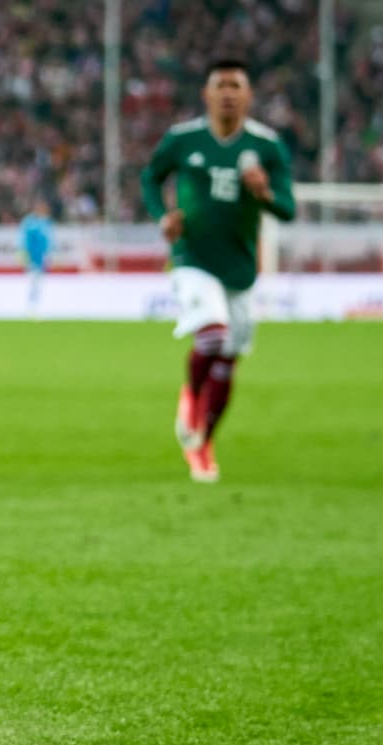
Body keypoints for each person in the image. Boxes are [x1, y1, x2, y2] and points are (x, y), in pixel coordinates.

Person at [140, 59, 296, 483]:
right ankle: (190, 396)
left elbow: (288, 209)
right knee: (212, 333)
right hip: (192, 258)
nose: (228, 92)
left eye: (236, 86)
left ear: (248, 96)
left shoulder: (267, 146)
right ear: (207, 94)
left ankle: (203, 441)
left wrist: (264, 194)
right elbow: (150, 178)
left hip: (241, 269)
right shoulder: (182, 139)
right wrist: (162, 215)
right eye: (220, 85)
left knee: (228, 359)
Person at [18, 200, 53, 317]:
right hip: (31, 257)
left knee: (38, 283)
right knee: (33, 282)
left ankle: (35, 306)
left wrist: (48, 255)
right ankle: (30, 306)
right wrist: (24, 255)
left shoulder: (45, 222)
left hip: (41, 258)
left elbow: (48, 241)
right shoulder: (29, 222)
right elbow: (23, 241)